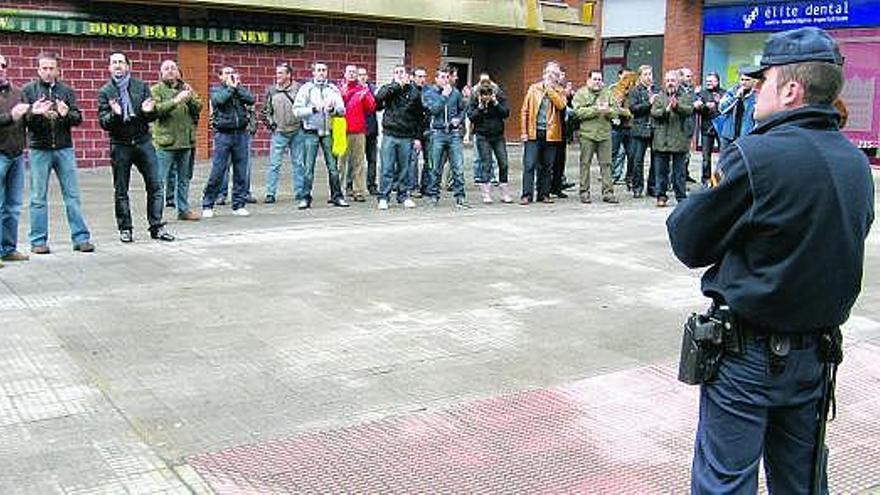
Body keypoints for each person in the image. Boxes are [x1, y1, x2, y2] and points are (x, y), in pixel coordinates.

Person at [666, 27, 874, 494]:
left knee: (726, 483)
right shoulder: (855, 161)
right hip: (814, 354)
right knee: (801, 483)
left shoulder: (756, 155)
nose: (754, 90)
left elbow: (688, 239)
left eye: (763, 81)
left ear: (791, 89)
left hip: (749, 354)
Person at [97, 51, 174, 242]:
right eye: (113, 62)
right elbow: (104, 123)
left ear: (128, 66)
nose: (117, 65)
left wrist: (149, 111)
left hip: (143, 142)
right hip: (120, 144)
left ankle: (156, 227)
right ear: (109, 68)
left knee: (155, 185)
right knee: (121, 189)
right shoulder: (106, 92)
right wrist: (115, 114)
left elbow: (152, 115)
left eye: (121, 62)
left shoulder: (141, 87)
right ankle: (125, 228)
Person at [22, 51, 95, 254]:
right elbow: (23, 120)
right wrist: (34, 114)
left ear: (58, 70)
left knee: (72, 195)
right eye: (44, 68)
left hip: (64, 149)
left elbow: (77, 118)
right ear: (38, 70)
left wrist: (65, 115)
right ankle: (38, 241)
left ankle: (81, 238)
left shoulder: (66, 91)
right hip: (39, 149)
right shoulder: (29, 90)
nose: (48, 72)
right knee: (38, 197)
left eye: (51, 68)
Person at [151, 59, 202, 221]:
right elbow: (156, 110)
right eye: (167, 68)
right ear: (161, 73)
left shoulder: (186, 88)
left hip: (186, 141)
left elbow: (199, 106)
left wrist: (190, 97)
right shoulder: (155, 90)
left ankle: (183, 210)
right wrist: (176, 100)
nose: (171, 71)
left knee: (184, 178)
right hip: (165, 143)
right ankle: (156, 214)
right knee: (159, 180)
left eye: (173, 68)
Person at [292, 61, 348, 209]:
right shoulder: (306, 89)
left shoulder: (333, 88)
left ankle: (337, 196)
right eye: (319, 70)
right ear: (313, 72)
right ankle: (305, 198)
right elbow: (296, 111)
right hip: (311, 132)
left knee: (333, 167)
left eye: (324, 70)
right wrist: (313, 109)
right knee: (308, 167)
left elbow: (343, 110)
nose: (322, 72)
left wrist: (332, 110)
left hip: (328, 132)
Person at [201, 65, 255, 217]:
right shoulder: (217, 90)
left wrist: (237, 88)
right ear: (220, 77)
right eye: (227, 73)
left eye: (233, 73)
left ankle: (238, 204)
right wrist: (231, 89)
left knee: (241, 171)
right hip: (224, 135)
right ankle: (208, 204)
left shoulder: (239, 90)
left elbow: (251, 99)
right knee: (218, 171)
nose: (231, 75)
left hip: (241, 135)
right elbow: (219, 101)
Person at [374, 65, 424, 210]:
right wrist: (396, 86)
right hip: (390, 134)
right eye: (396, 72)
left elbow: (419, 117)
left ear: (408, 76)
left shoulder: (414, 92)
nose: (399, 75)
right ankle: (383, 197)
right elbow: (378, 98)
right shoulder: (389, 89)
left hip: (406, 136)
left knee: (405, 168)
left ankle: (403, 196)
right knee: (387, 167)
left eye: (402, 72)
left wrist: (417, 137)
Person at [520, 60, 567, 205]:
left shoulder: (560, 91)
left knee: (547, 166)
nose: (551, 76)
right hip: (534, 132)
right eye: (549, 72)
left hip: (551, 133)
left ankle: (544, 194)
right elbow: (525, 111)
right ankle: (526, 194)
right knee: (530, 164)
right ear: (544, 73)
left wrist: (550, 90)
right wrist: (524, 131)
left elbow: (561, 105)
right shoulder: (534, 89)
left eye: (554, 73)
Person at [0, 53, 31, 265]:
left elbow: (25, 119)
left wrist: (35, 113)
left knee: (13, 205)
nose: (0, 68)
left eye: (2, 65)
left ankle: (8, 249)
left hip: (16, 155)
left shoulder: (18, 93)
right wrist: (12, 116)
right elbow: (13, 117)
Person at [572, 69, 619, 204]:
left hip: (605, 134)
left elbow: (616, 112)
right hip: (587, 135)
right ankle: (584, 192)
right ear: (588, 80)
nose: (597, 82)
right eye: (595, 79)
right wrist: (596, 109)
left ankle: (608, 193)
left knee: (607, 164)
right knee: (585, 164)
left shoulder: (608, 93)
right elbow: (577, 112)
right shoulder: (581, 93)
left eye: (599, 79)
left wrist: (608, 110)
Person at [424, 66, 468, 208]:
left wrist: (459, 119)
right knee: (435, 167)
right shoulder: (430, 93)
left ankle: (460, 197)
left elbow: (462, 110)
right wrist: (443, 96)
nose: (445, 80)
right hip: (437, 132)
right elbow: (433, 110)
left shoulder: (455, 93)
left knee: (458, 167)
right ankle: (433, 195)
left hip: (453, 133)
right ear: (436, 79)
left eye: (447, 77)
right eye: (442, 77)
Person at [650, 70, 693, 207]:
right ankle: (661, 196)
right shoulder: (659, 97)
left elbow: (689, 110)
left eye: (673, 80)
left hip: (679, 139)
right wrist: (666, 110)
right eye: (668, 80)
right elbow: (654, 112)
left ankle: (681, 197)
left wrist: (677, 106)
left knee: (679, 172)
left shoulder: (685, 96)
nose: (670, 83)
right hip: (661, 139)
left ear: (678, 82)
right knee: (661, 171)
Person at [467, 72, 511, 204]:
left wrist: (495, 103)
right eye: (484, 93)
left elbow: (506, 113)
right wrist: (481, 107)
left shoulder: (498, 94)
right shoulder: (475, 96)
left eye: (488, 93)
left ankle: (504, 191)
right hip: (482, 135)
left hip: (498, 135)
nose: (486, 95)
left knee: (503, 163)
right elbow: (471, 116)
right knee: (486, 163)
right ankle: (486, 193)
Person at [261, 62, 302, 204]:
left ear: (289, 75)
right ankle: (270, 193)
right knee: (274, 164)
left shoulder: (299, 89)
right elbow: (265, 111)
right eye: (277, 73)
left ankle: (300, 192)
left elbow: (304, 107)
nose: (277, 75)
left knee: (298, 163)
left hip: (297, 131)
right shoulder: (271, 90)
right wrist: (272, 126)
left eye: (280, 73)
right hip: (279, 132)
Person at [340, 64, 376, 202]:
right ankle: (338, 191)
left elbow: (372, 107)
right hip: (341, 131)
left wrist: (366, 93)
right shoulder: (338, 89)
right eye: (349, 72)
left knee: (358, 163)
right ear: (344, 74)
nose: (352, 74)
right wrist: (343, 94)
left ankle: (358, 191)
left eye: (354, 72)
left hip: (359, 131)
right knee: (340, 164)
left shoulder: (362, 90)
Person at [627, 65, 657, 198]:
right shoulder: (635, 91)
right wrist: (649, 104)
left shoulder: (657, 90)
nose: (648, 77)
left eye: (650, 74)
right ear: (640, 77)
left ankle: (652, 187)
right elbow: (633, 109)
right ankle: (637, 186)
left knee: (656, 160)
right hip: (640, 129)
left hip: (655, 129)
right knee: (637, 160)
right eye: (645, 74)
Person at [693, 72, 724, 186]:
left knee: (723, 154)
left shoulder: (724, 93)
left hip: (721, 128)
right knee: (706, 157)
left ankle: (721, 177)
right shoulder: (701, 93)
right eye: (707, 81)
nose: (708, 83)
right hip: (706, 128)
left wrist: (718, 102)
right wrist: (704, 106)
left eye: (711, 81)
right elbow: (696, 110)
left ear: (717, 81)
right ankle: (706, 179)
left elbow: (728, 108)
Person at [716, 69, 757, 149]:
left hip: (746, 136)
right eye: (742, 80)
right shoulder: (733, 91)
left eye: (747, 80)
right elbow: (721, 108)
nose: (744, 82)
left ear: (753, 81)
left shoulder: (756, 95)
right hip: (728, 135)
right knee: (725, 160)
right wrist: (736, 97)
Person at [358, 67, 380, 196]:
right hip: (357, 130)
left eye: (364, 75)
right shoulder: (353, 89)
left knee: (372, 160)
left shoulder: (373, 90)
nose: (362, 77)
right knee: (356, 160)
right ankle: (352, 185)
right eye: (360, 75)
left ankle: (371, 185)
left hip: (371, 130)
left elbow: (378, 106)